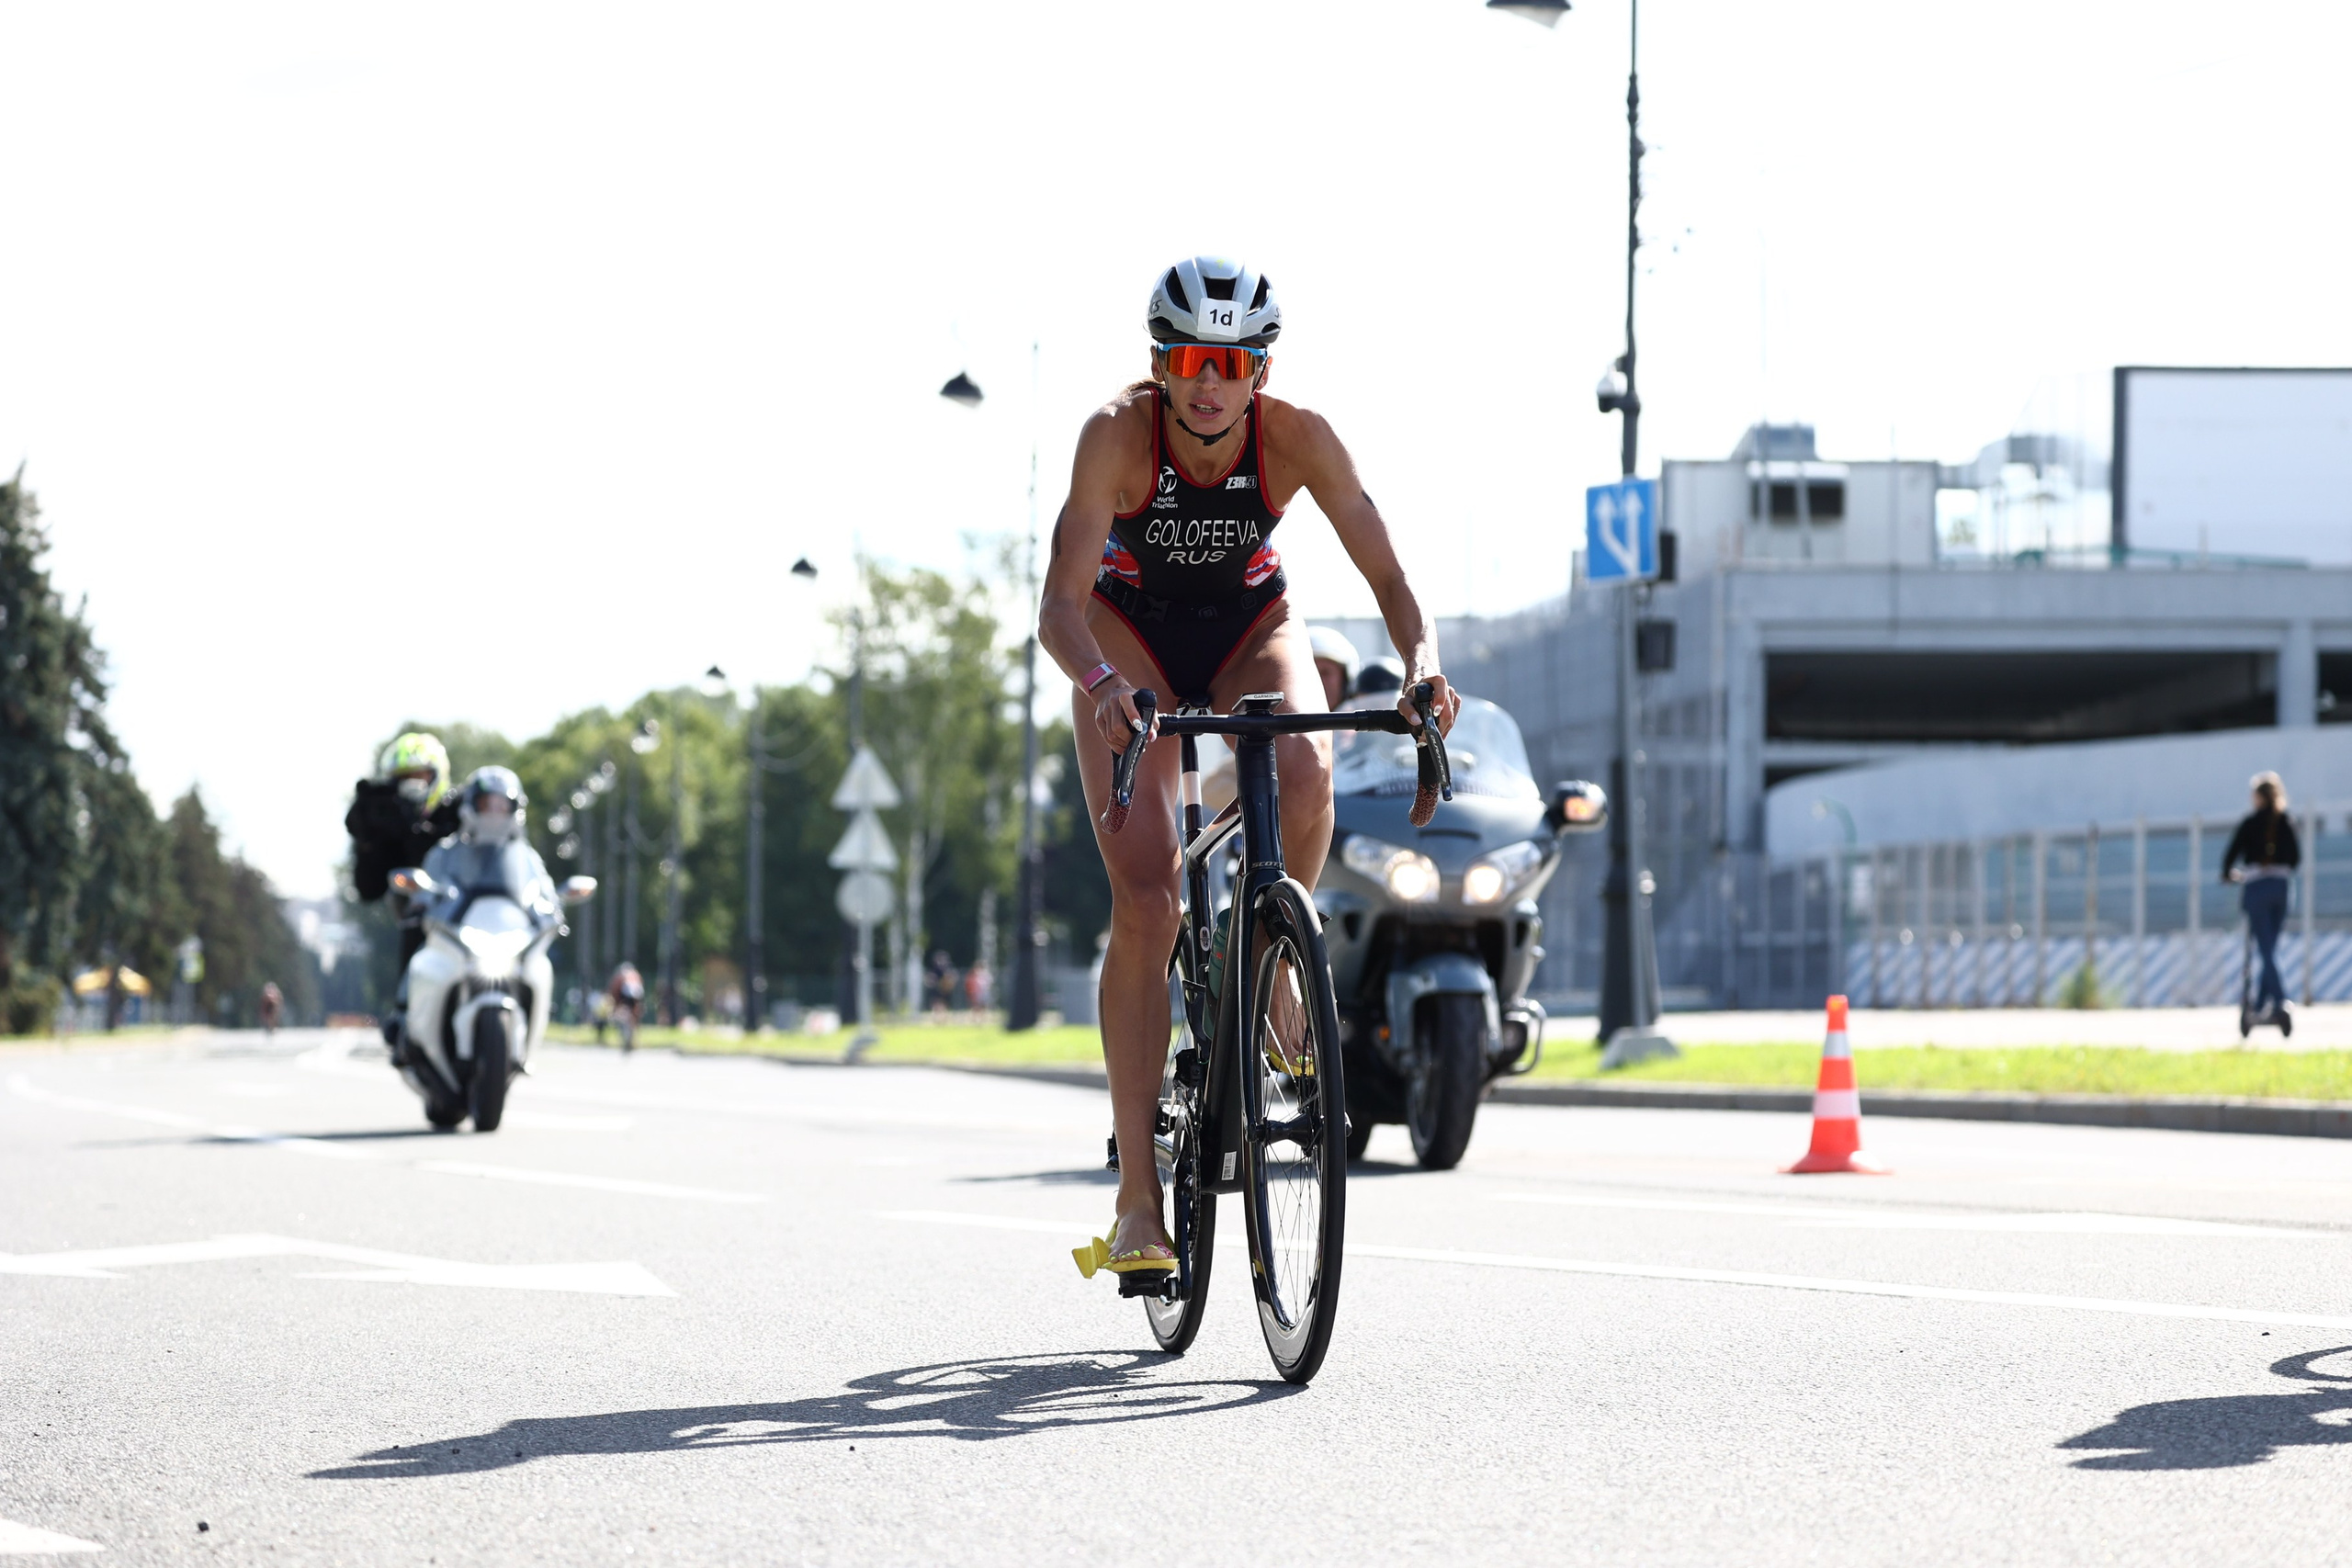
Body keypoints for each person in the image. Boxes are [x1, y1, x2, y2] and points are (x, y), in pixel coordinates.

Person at [1037, 255, 1459, 1278]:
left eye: (1229, 362)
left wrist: (1422, 665)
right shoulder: (1114, 435)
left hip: (1247, 625)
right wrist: (1099, 685)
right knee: (1148, 896)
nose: (1208, 382)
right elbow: (1056, 605)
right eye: (1188, 360)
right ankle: (1140, 1202)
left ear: (1257, 370)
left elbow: (1391, 573)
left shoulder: (1297, 436)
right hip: (1124, 635)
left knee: (1306, 770)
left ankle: (1273, 959)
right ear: (1160, 364)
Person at [345, 733, 458, 1048]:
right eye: (402, 780)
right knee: (414, 918)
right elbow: (367, 889)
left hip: (470, 919)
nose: (412, 786)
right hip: (425, 927)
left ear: (437, 776)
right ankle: (405, 1014)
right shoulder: (391, 824)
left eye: (419, 777)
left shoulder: (459, 812)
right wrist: (368, 837)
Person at [2222, 770, 2301, 1030]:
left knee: (2265, 950)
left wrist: (2229, 874)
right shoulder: (2286, 821)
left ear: (2259, 797)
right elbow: (2295, 858)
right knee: (2271, 950)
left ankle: (2280, 1002)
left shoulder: (2251, 822)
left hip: (2257, 889)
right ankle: (2259, 1006)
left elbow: (2230, 855)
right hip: (2281, 888)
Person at [1306, 625, 1361, 711]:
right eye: (1310, 673)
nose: (1318, 680)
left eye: (1325, 673)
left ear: (1345, 680)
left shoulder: (1366, 723)